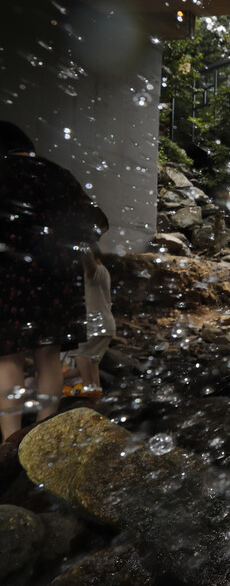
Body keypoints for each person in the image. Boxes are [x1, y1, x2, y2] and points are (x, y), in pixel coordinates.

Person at [0, 121, 107, 441]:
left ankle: (9, 442)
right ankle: (42, 436)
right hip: (56, 276)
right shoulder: (58, 174)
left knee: (8, 358)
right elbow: (96, 223)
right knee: (48, 355)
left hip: (8, 275)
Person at [63, 242, 115, 398]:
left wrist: (83, 245)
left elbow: (90, 265)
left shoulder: (96, 271)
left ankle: (89, 388)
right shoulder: (103, 273)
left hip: (95, 324)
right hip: (105, 324)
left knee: (80, 353)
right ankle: (96, 394)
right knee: (93, 361)